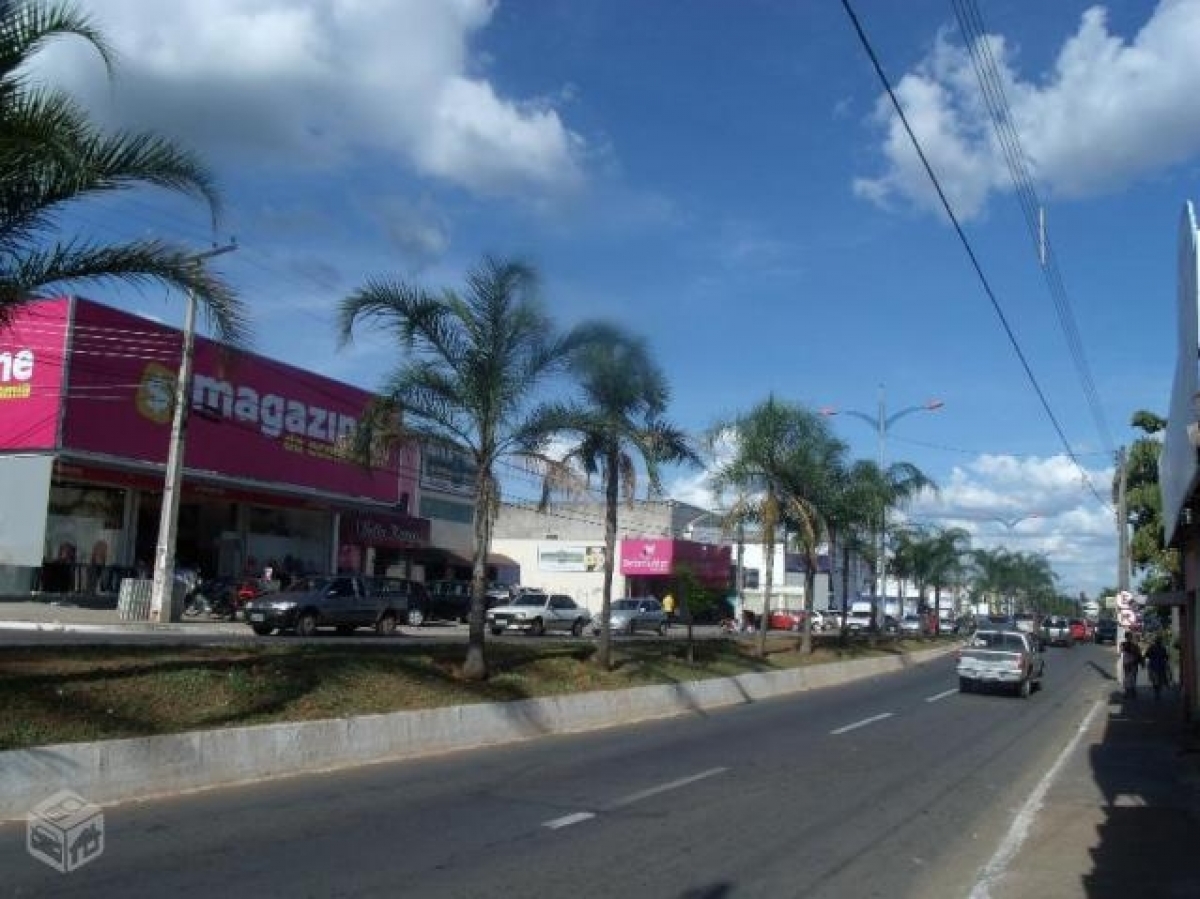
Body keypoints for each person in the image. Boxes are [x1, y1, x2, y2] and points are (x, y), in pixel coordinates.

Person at [1146, 636, 1171, 700]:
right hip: (1160, 666)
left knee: (1155, 680)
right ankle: (1158, 692)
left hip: (1153, 666)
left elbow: (1147, 655)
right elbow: (1166, 657)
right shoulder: (1162, 648)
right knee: (1159, 680)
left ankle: (1157, 692)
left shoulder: (1152, 647)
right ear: (1160, 642)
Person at [1119, 633, 1143, 698]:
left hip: (1126, 663)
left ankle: (1127, 692)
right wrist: (1142, 662)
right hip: (1133, 663)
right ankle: (1132, 692)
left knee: (1127, 677)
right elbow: (1139, 654)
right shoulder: (1135, 645)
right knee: (1133, 677)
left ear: (1125, 637)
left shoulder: (1123, 644)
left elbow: (1120, 651)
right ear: (1131, 637)